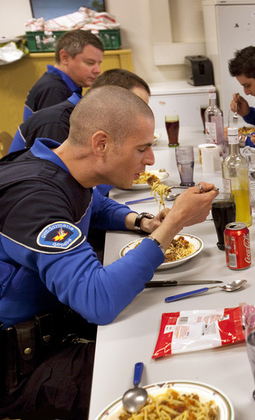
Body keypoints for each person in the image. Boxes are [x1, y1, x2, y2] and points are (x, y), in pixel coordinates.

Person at [0, 86, 218, 419]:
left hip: (56, 322)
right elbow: (98, 300)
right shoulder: (35, 199)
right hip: (22, 364)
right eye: (142, 149)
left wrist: (142, 222)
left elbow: (95, 204)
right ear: (101, 144)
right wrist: (171, 223)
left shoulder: (61, 167)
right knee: (169, 390)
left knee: (172, 335)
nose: (150, 159)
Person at [9, 68, 151, 153]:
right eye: (137, 109)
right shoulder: (56, 124)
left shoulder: (89, 120)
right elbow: (63, 185)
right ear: (109, 99)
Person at [21, 29, 104, 122]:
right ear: (65, 57)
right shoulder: (53, 91)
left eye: (99, 63)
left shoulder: (61, 85)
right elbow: (56, 133)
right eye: (90, 63)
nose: (98, 70)